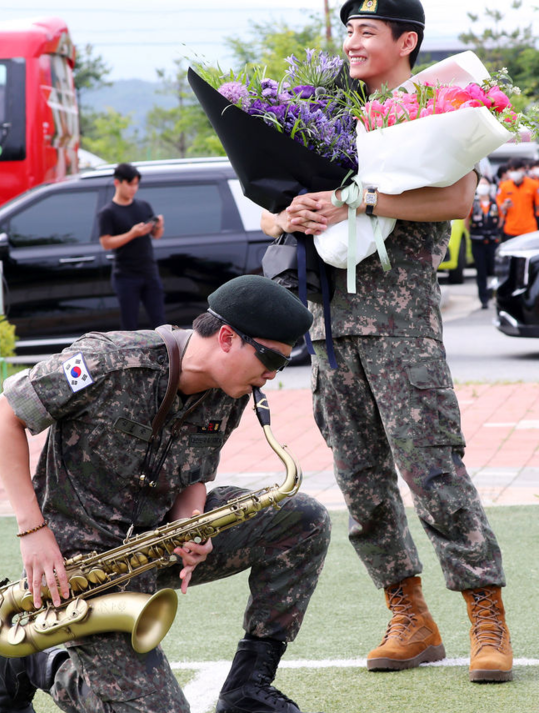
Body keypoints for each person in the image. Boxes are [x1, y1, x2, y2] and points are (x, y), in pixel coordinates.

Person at [261, 0, 512, 684]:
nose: (352, 42)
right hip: (330, 326)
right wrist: (291, 212)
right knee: (360, 480)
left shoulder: (438, 106)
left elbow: (457, 201)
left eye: (367, 31)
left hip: (402, 324)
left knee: (433, 471)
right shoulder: (324, 110)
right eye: (348, 30)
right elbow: (267, 212)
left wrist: (360, 200)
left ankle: (486, 615)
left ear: (407, 41)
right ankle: (409, 616)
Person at [0, 275, 331, 713]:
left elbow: (194, 474)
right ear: (226, 338)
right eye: (270, 358)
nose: (273, 374)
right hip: (79, 565)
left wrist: (192, 522)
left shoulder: (232, 390)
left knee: (304, 519)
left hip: (155, 544)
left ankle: (246, 688)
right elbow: (3, 415)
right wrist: (32, 530)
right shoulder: (109, 361)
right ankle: (41, 662)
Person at [98, 163, 166, 331]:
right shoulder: (108, 212)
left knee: (160, 322)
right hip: (126, 276)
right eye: (129, 184)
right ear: (117, 182)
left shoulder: (143, 206)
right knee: (129, 325)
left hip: (149, 272)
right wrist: (132, 234)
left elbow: (156, 235)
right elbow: (106, 243)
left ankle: (164, 348)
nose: (133, 188)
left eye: (136, 184)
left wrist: (158, 226)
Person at [466, 176, 502, 309]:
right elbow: (466, 222)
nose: (483, 186)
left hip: (492, 241)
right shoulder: (473, 203)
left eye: (485, 184)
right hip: (478, 242)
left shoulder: (495, 202)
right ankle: (484, 299)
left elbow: (500, 219)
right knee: (481, 271)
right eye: (481, 184)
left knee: (494, 269)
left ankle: (495, 295)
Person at [496, 158, 539, 241]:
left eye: (515, 170)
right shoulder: (504, 186)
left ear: (522, 169)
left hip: (529, 229)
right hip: (511, 229)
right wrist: (504, 206)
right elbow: (499, 205)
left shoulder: (533, 185)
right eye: (511, 170)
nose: (513, 173)